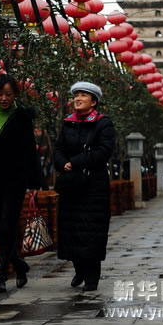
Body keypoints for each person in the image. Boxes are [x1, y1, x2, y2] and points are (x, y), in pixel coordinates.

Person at [0, 74, 42, 293]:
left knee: (7, 224)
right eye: (0, 94)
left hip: (15, 179)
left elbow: (30, 150)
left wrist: (35, 181)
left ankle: (0, 274)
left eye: (8, 94)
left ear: (15, 95)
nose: (4, 98)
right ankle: (19, 265)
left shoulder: (22, 117)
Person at [54, 81, 115, 292]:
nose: (77, 98)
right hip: (71, 185)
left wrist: (76, 162)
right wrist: (62, 163)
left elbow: (103, 151)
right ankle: (78, 268)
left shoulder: (103, 123)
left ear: (94, 101)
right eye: (76, 95)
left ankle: (92, 276)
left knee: (92, 231)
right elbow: (59, 149)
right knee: (71, 230)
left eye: (83, 95)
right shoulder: (68, 123)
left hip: (93, 187)